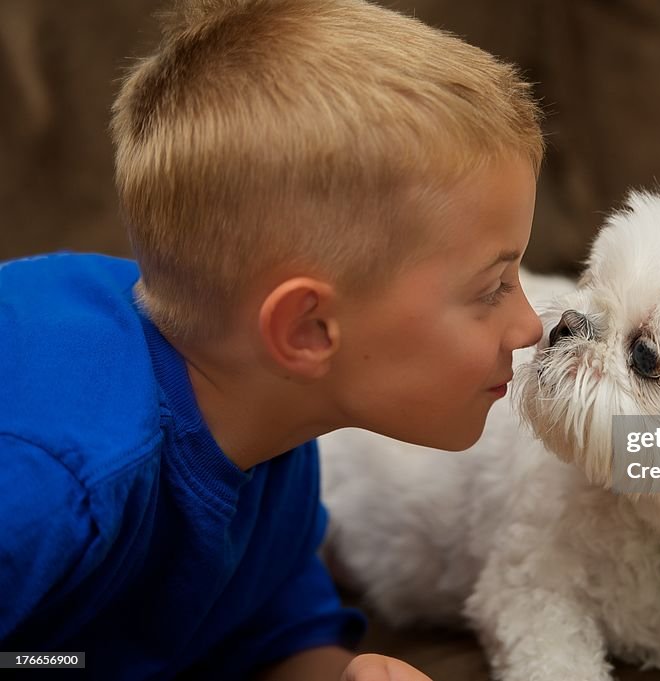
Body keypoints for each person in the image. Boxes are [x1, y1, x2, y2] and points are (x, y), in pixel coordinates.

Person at [0, 0, 544, 678]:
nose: (531, 325)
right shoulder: (52, 485)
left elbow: (272, 633)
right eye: (492, 287)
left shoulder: (269, 434)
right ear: (307, 330)